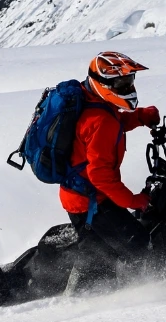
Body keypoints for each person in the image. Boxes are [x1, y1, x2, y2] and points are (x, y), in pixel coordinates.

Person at [61, 52, 160, 265]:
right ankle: (144, 292)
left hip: (81, 193)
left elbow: (112, 125)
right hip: (91, 201)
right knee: (138, 245)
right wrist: (133, 201)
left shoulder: (93, 101)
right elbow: (100, 175)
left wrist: (140, 117)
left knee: (106, 249)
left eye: (129, 81)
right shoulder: (101, 120)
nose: (127, 88)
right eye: (120, 83)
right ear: (103, 84)